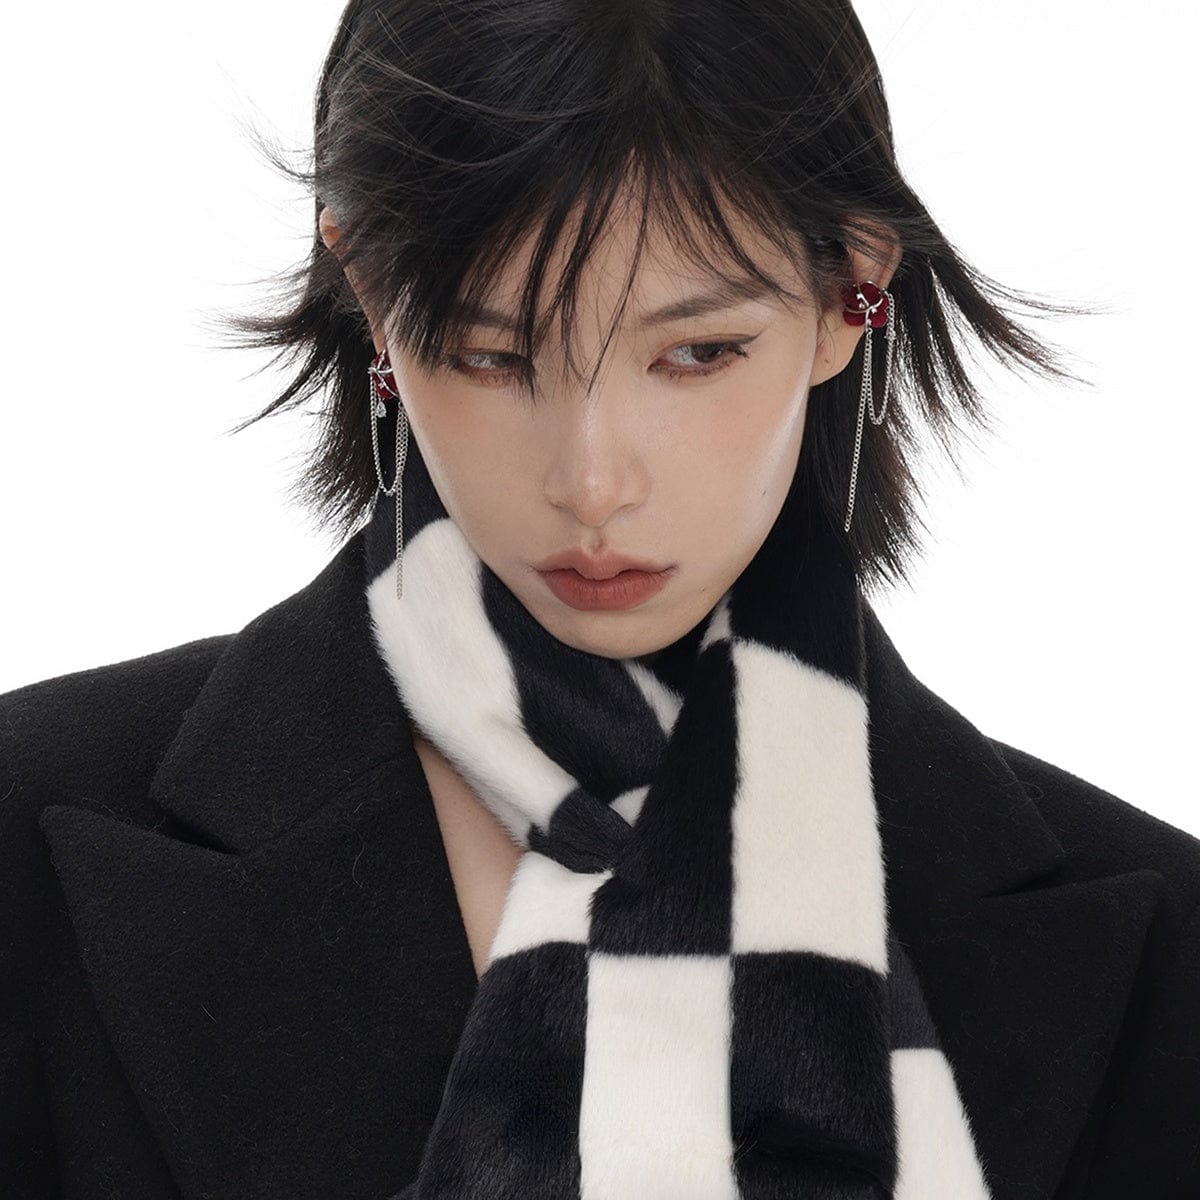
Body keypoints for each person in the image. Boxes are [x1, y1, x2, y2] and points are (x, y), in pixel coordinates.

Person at [2, 1, 1197, 1197]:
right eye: (490, 354)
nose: (590, 482)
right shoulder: (29, 827)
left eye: (697, 353)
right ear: (366, 289)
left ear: (852, 291)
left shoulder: (1163, 955)